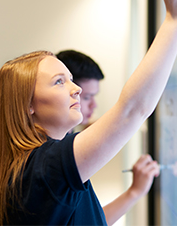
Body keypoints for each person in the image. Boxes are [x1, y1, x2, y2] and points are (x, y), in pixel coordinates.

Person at [0, 0, 177, 225]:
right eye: (59, 82)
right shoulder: (42, 169)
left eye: (71, 79)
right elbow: (132, 110)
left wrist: (135, 192)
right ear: (28, 105)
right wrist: (175, 20)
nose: (77, 89)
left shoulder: (41, 168)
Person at [56, 49, 159, 223]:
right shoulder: (59, 154)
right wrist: (134, 192)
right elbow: (91, 222)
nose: (94, 105)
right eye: (87, 97)